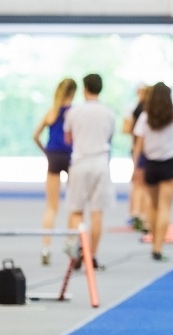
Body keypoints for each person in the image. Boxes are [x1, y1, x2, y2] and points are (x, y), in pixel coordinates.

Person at [63, 73, 115, 270]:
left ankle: (77, 249)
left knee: (76, 210)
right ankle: (92, 255)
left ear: (84, 89)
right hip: (101, 162)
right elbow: (109, 137)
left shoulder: (74, 112)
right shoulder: (109, 113)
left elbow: (68, 139)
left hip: (80, 162)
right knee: (97, 212)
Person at [133, 82, 173, 261]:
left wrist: (135, 168)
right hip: (168, 163)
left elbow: (138, 145)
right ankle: (158, 246)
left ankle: (154, 241)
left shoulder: (145, 116)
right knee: (165, 208)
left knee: (153, 206)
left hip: (151, 164)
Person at [32, 77, 77, 266]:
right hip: (71, 158)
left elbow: (35, 136)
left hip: (53, 157)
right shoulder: (74, 113)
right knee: (74, 204)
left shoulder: (51, 112)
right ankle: (69, 242)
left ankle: (46, 246)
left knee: (51, 206)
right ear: (73, 93)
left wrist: (46, 152)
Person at [123, 85, 149, 232]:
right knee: (140, 184)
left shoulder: (147, 111)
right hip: (140, 149)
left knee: (140, 184)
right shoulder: (135, 109)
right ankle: (137, 214)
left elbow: (126, 129)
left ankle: (138, 214)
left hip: (143, 150)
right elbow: (126, 129)